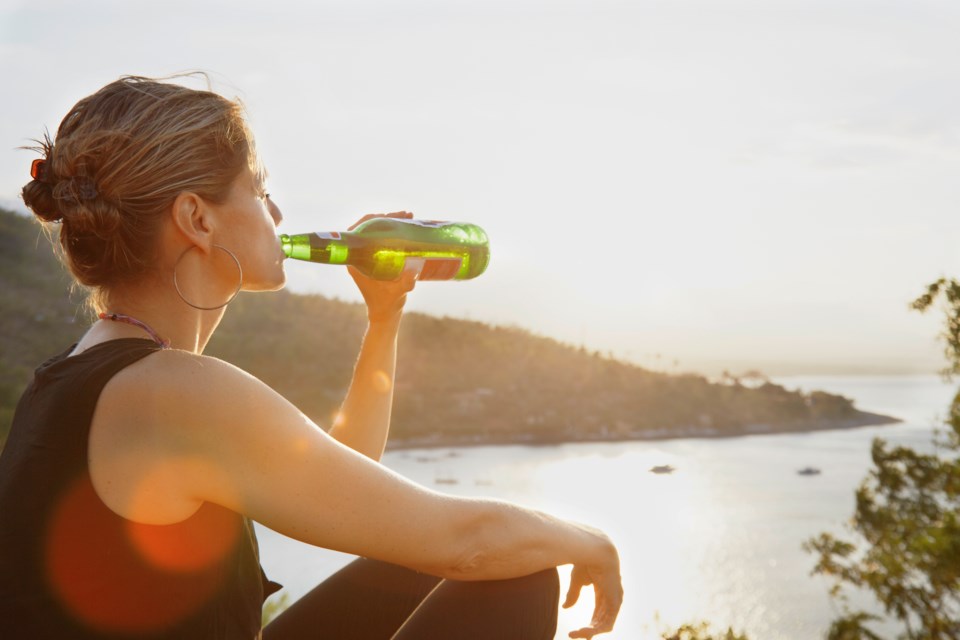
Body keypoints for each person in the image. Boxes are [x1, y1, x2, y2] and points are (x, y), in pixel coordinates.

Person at [0, 75, 622, 640]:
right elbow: (468, 544)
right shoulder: (171, 390)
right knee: (520, 570)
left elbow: (347, 480)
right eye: (259, 189)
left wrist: (384, 317)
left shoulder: (83, 372)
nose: (277, 213)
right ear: (196, 218)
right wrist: (589, 541)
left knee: (415, 563)